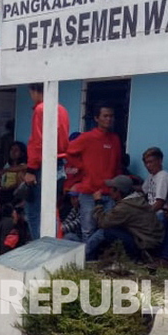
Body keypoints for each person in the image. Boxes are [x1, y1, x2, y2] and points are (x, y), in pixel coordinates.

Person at [66, 101, 121, 241]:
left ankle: (100, 260)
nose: (109, 119)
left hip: (109, 192)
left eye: (111, 116)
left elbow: (118, 166)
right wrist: (82, 166)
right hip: (89, 191)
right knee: (88, 230)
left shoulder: (115, 139)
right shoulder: (87, 137)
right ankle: (87, 261)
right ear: (97, 118)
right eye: (105, 116)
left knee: (107, 230)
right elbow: (67, 151)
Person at [24, 83, 70, 239]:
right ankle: (53, 247)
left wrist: (31, 169)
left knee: (34, 212)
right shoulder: (62, 109)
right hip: (59, 164)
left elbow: (38, 142)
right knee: (51, 211)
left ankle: (40, 250)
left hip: (43, 166)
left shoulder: (40, 109)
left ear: (35, 91)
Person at [85, 175, 164, 261]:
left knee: (103, 232)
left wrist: (98, 202)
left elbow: (102, 223)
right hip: (151, 241)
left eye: (111, 188)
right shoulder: (137, 198)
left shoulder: (125, 207)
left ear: (118, 191)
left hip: (144, 245)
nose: (109, 191)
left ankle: (85, 256)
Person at [141, 147, 168, 213]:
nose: (148, 165)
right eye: (146, 163)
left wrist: (145, 215)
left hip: (159, 213)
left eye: (151, 162)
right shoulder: (151, 176)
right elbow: (143, 190)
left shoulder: (163, 176)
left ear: (160, 161)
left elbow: (159, 203)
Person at [0, 141, 28, 207]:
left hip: (15, 193)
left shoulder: (23, 166)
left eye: (16, 150)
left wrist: (6, 170)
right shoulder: (7, 165)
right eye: (11, 149)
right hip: (5, 193)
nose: (13, 152)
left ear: (22, 153)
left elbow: (21, 168)